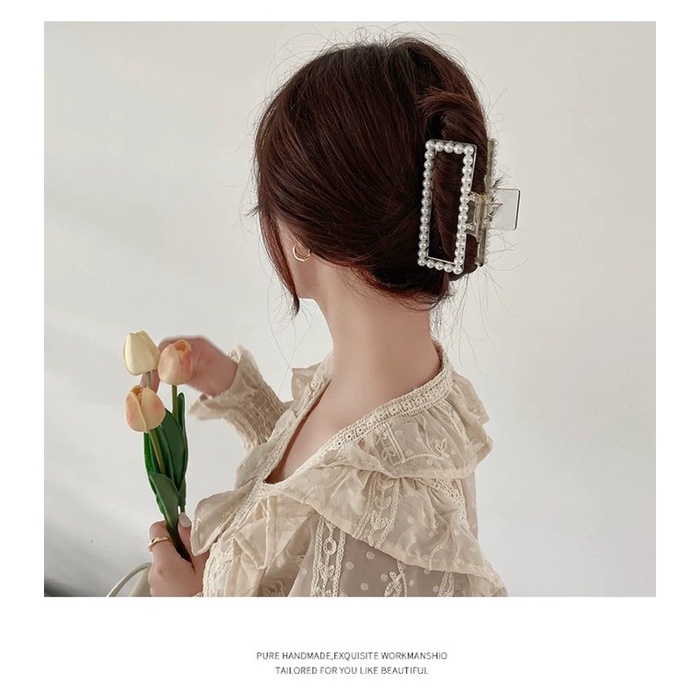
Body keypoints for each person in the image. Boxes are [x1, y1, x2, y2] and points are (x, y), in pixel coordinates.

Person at [144, 35, 511, 597]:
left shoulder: (388, 518)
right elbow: (319, 491)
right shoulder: (399, 392)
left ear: (304, 240)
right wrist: (236, 390)